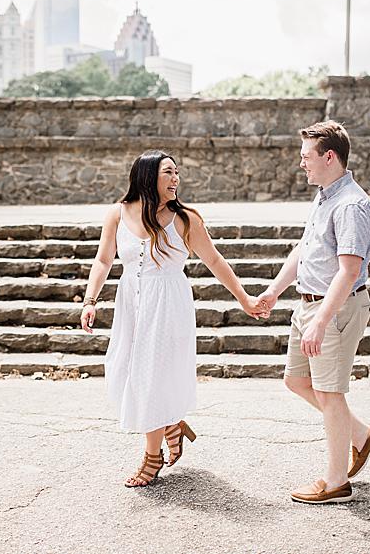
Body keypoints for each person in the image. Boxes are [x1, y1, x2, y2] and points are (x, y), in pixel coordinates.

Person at [81, 149, 266, 488]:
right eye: (169, 172)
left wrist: (244, 300)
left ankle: (152, 457)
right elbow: (103, 260)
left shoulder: (186, 219)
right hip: (131, 302)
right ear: (148, 176)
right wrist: (90, 300)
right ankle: (170, 423)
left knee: (148, 376)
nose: (176, 179)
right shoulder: (118, 213)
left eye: (177, 173)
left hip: (168, 303)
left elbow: (215, 261)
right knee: (124, 370)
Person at [257, 121, 370, 504]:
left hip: (335, 309)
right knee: (297, 381)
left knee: (329, 393)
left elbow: (347, 271)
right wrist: (274, 291)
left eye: (306, 157)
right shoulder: (326, 195)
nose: (301, 164)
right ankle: (360, 434)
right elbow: (304, 249)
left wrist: (322, 321)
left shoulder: (352, 205)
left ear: (330, 157)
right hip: (307, 304)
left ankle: (336, 483)